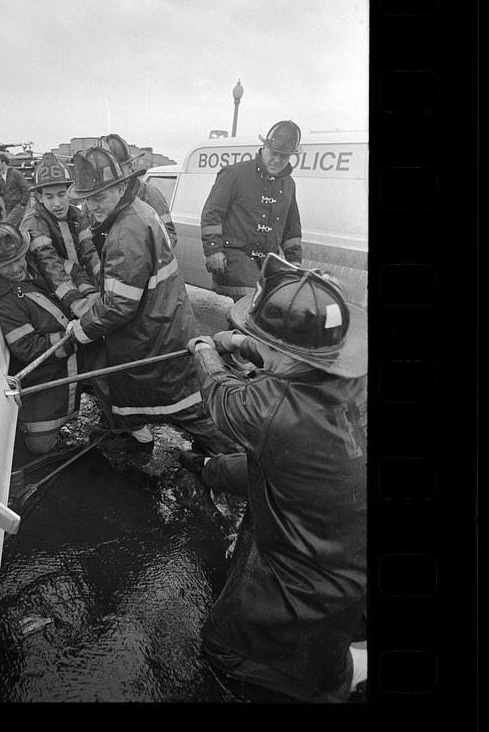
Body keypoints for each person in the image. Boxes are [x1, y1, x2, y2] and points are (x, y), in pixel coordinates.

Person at [182, 253, 368, 703]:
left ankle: (333, 680)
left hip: (317, 572)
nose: (252, 342)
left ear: (285, 354)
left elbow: (221, 394)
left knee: (227, 648)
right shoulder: (346, 383)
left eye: (258, 339)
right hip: (352, 542)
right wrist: (242, 343)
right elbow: (262, 467)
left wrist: (206, 348)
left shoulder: (269, 410)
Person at [65, 146, 242, 456]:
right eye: (87, 200)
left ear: (120, 187)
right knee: (185, 399)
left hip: (151, 338)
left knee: (186, 406)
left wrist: (80, 329)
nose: (91, 207)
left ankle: (242, 464)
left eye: (98, 198)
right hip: (167, 323)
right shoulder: (139, 209)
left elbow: (119, 305)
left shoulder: (124, 234)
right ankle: (141, 437)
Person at [0, 221, 91, 454]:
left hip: (79, 354)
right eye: (5, 265)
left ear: (24, 252)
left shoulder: (40, 262)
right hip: (45, 376)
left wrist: (88, 294)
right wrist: (73, 337)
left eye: (17, 258)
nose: (15, 268)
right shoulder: (3, 299)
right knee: (39, 447)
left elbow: (73, 271)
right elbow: (27, 348)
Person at [201, 120, 304, 301]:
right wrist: (213, 251)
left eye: (284, 156)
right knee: (252, 304)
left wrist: (294, 261)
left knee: (268, 309)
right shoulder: (234, 174)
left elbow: (291, 227)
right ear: (264, 147)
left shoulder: (289, 185)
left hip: (267, 263)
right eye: (274, 153)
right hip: (233, 259)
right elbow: (212, 214)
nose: (278, 160)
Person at [20, 152, 100, 320]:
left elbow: (90, 253)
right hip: (50, 293)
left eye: (61, 195)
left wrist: (102, 283)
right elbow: (48, 262)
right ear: (40, 197)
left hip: (79, 284)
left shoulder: (77, 215)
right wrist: (75, 301)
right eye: (49, 196)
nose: (57, 203)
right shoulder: (34, 220)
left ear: (69, 193)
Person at [97, 133, 178, 250]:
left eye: (117, 170)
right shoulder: (96, 198)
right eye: (106, 172)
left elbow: (169, 237)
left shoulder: (152, 196)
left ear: (130, 166)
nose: (112, 177)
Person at [0, 152, 33, 226]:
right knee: (14, 229)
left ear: (3, 163)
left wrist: (22, 204)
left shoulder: (16, 174)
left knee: (7, 226)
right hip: (8, 207)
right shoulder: (0, 177)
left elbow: (27, 189)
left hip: (18, 206)